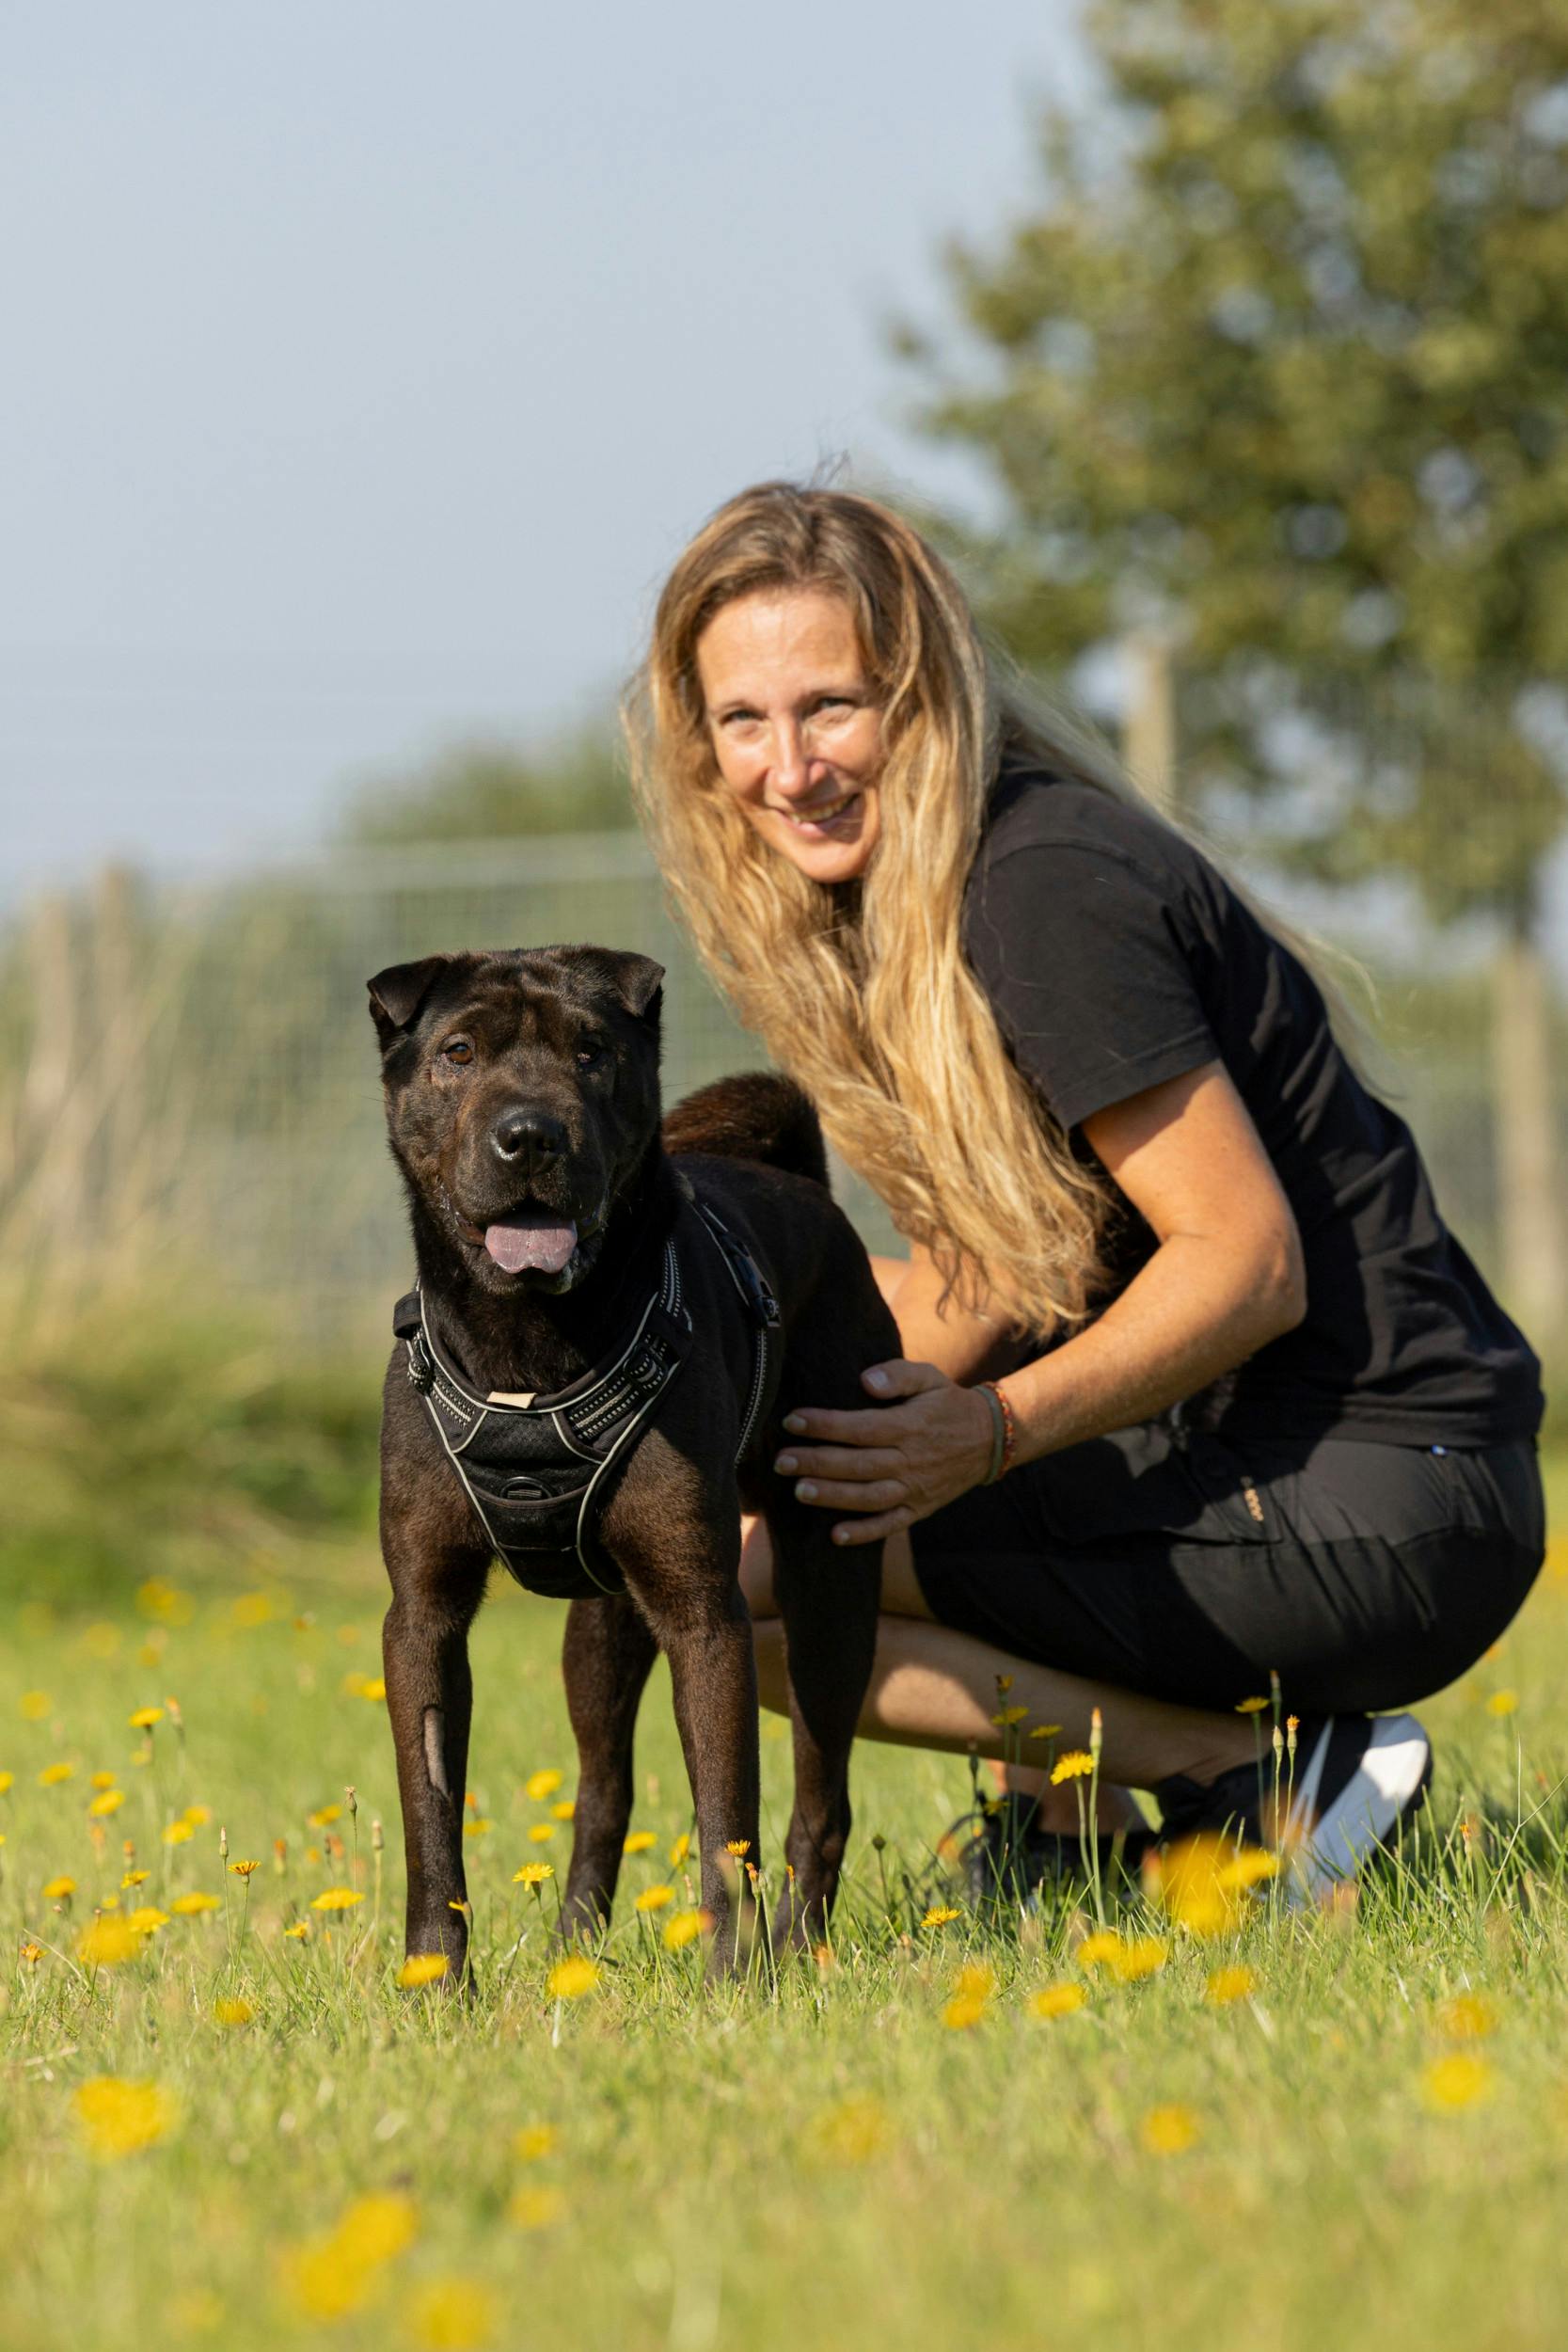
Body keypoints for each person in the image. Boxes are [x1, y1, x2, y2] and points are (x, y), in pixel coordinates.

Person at [626, 481, 1545, 1900]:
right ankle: (1092, 1830)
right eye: (743, 721)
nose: (790, 766)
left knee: (762, 1595)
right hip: (1318, 1484)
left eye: (835, 706)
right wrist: (699, 1436)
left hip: (1382, 1496)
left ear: (924, 693)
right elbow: (975, 1288)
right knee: (733, 1575)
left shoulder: (1037, 887)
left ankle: (1237, 1783)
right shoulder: (917, 899)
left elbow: (1246, 1260)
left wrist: (983, 1439)